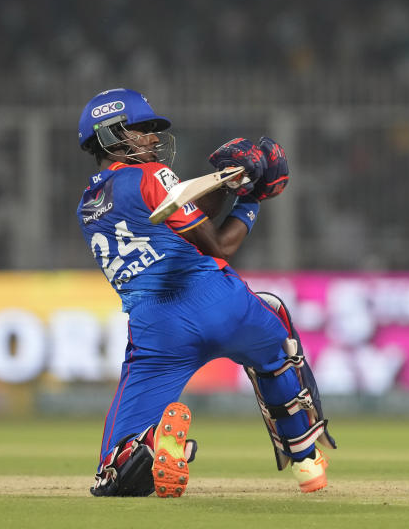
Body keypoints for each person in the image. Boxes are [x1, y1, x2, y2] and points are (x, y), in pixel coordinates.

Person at [75, 88, 334, 498]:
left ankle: (154, 440)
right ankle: (305, 458)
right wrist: (250, 198)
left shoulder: (88, 206)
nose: (153, 138)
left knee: (113, 472)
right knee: (274, 335)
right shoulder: (150, 174)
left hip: (157, 329)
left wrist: (230, 186)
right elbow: (219, 245)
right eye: (141, 130)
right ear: (110, 134)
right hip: (218, 300)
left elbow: (183, 221)